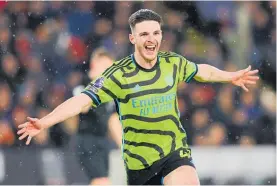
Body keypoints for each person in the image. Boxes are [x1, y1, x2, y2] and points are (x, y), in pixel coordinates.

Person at [17, 9, 259, 185]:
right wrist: (45, 121)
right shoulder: (118, 74)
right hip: (139, 165)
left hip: (174, 152)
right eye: (144, 34)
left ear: (161, 36)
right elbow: (82, 100)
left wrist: (230, 76)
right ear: (133, 38)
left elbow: (201, 71)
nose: (151, 39)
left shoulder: (172, 62)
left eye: (155, 33)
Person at [73, 48, 122, 185]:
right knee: (102, 182)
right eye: (106, 68)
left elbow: (113, 120)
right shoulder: (83, 84)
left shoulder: (110, 91)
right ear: (94, 65)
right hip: (88, 142)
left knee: (102, 181)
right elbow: (81, 106)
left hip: (102, 142)